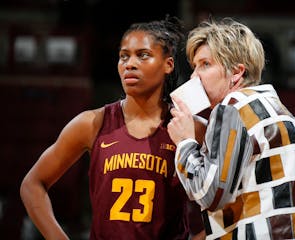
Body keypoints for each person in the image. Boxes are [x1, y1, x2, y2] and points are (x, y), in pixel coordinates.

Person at [20, 16, 204, 240]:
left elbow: (231, 197)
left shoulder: (189, 126)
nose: (130, 64)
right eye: (123, 56)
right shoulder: (91, 123)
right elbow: (32, 185)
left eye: (143, 55)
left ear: (168, 64)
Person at [167, 17, 295, 239]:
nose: (195, 76)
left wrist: (185, 142)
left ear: (236, 72)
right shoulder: (286, 115)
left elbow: (210, 194)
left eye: (206, 64)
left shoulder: (231, 108)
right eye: (195, 67)